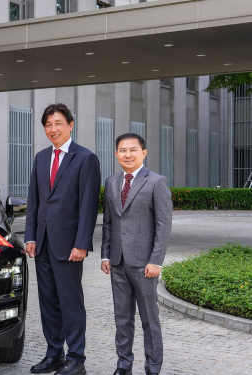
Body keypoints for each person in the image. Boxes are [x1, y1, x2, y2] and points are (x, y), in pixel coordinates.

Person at [24, 104, 100, 375]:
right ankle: (54, 354)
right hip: (42, 243)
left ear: (70, 124)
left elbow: (89, 206)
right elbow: (35, 201)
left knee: (71, 302)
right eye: (48, 125)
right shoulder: (41, 158)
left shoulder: (85, 158)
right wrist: (30, 235)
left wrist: (82, 243)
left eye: (58, 123)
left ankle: (76, 358)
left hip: (69, 245)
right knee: (48, 302)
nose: (53, 129)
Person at [101, 133, 172, 375]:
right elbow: (109, 223)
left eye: (133, 150)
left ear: (144, 153)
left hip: (145, 264)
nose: (127, 154)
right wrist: (105, 255)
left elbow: (163, 226)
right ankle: (123, 365)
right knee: (122, 317)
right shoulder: (111, 182)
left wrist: (156, 261)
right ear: (116, 154)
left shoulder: (156, 182)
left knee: (149, 319)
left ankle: (153, 367)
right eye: (122, 150)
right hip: (118, 262)